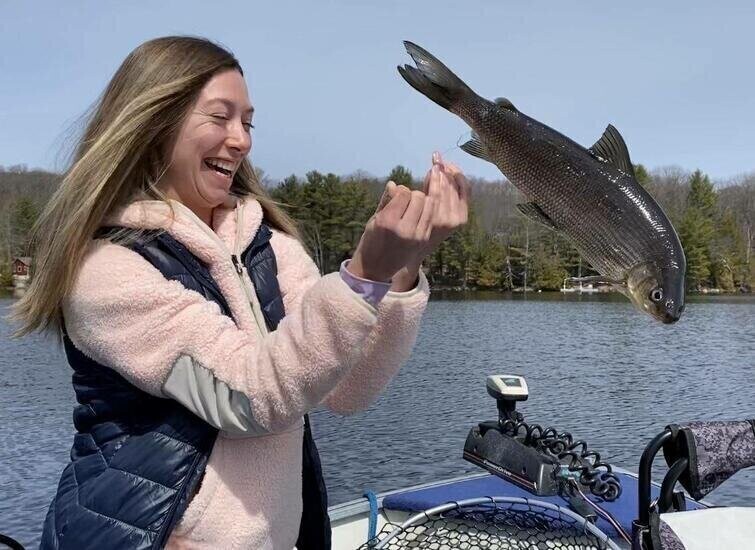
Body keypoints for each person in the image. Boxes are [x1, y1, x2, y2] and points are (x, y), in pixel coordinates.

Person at [12, 36, 469, 549]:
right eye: (220, 117)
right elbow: (245, 400)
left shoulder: (271, 248)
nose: (241, 140)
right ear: (154, 123)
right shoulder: (107, 272)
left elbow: (348, 388)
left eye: (247, 122)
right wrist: (361, 275)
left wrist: (400, 269)